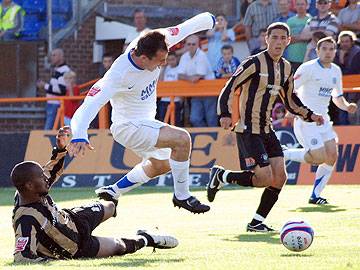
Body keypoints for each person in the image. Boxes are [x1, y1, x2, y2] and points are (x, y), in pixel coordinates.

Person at [68, 13, 216, 214]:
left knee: (161, 165)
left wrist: (208, 20)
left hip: (146, 122)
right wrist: (79, 134)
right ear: (144, 57)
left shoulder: (158, 39)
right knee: (182, 139)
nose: (163, 64)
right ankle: (182, 196)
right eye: (160, 60)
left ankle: (113, 191)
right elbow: (87, 107)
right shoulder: (117, 75)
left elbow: (183, 29)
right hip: (128, 126)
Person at [207, 22, 324, 232]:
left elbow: (289, 99)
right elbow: (230, 85)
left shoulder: (286, 67)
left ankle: (256, 222)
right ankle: (222, 176)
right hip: (247, 129)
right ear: (266, 39)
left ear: (289, 41)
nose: (278, 42)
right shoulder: (253, 63)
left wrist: (310, 114)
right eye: (274, 37)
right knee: (264, 178)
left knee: (280, 177)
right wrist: (224, 114)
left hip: (267, 129)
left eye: (283, 38)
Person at [11, 126, 178, 263]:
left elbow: (51, 170)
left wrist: (61, 149)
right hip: (77, 246)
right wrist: (54, 261)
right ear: (30, 185)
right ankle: (146, 238)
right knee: (120, 246)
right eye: (41, 177)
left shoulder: (32, 189)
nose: (46, 179)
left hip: (75, 218)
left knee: (110, 206)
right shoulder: (25, 218)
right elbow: (22, 257)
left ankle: (112, 199)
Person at [283, 37, 358, 204]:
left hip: (323, 119)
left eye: (331, 49)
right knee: (317, 157)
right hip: (306, 119)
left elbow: (337, 97)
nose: (328, 52)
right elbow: (289, 90)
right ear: (317, 51)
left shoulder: (335, 70)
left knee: (332, 155)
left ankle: (315, 195)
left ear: (335, 51)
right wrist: (293, 110)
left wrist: (346, 107)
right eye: (324, 48)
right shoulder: (307, 68)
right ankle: (284, 153)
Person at [177, 34, 217, 127]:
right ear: (185, 45)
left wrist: (188, 78)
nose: (191, 46)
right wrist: (190, 78)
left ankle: (213, 138)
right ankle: (205, 138)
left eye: (193, 44)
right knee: (194, 119)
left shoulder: (201, 55)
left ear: (198, 45)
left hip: (209, 91)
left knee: (211, 119)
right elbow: (179, 75)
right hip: (195, 92)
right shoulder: (184, 56)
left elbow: (197, 77)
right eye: (189, 44)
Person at [37, 48, 72, 130]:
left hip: (55, 104)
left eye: (54, 55)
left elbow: (61, 90)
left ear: (61, 56)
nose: (51, 58)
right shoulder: (58, 70)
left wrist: (44, 85)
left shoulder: (64, 70)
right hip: (52, 103)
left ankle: (45, 143)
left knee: (49, 129)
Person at [158, 51, 183, 126]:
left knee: (175, 122)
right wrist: (163, 68)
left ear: (176, 59)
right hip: (164, 99)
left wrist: (181, 99)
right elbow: (160, 81)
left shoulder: (180, 69)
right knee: (163, 121)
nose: (171, 62)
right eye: (168, 60)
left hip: (176, 100)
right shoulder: (165, 69)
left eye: (173, 59)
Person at [286, 0, 312, 71]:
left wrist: (295, 39)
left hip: (307, 56)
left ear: (307, 6)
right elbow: (287, 39)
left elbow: (311, 37)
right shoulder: (290, 21)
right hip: (292, 57)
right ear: (295, 6)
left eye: (302, 4)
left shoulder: (311, 20)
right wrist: (303, 38)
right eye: (298, 4)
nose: (300, 6)